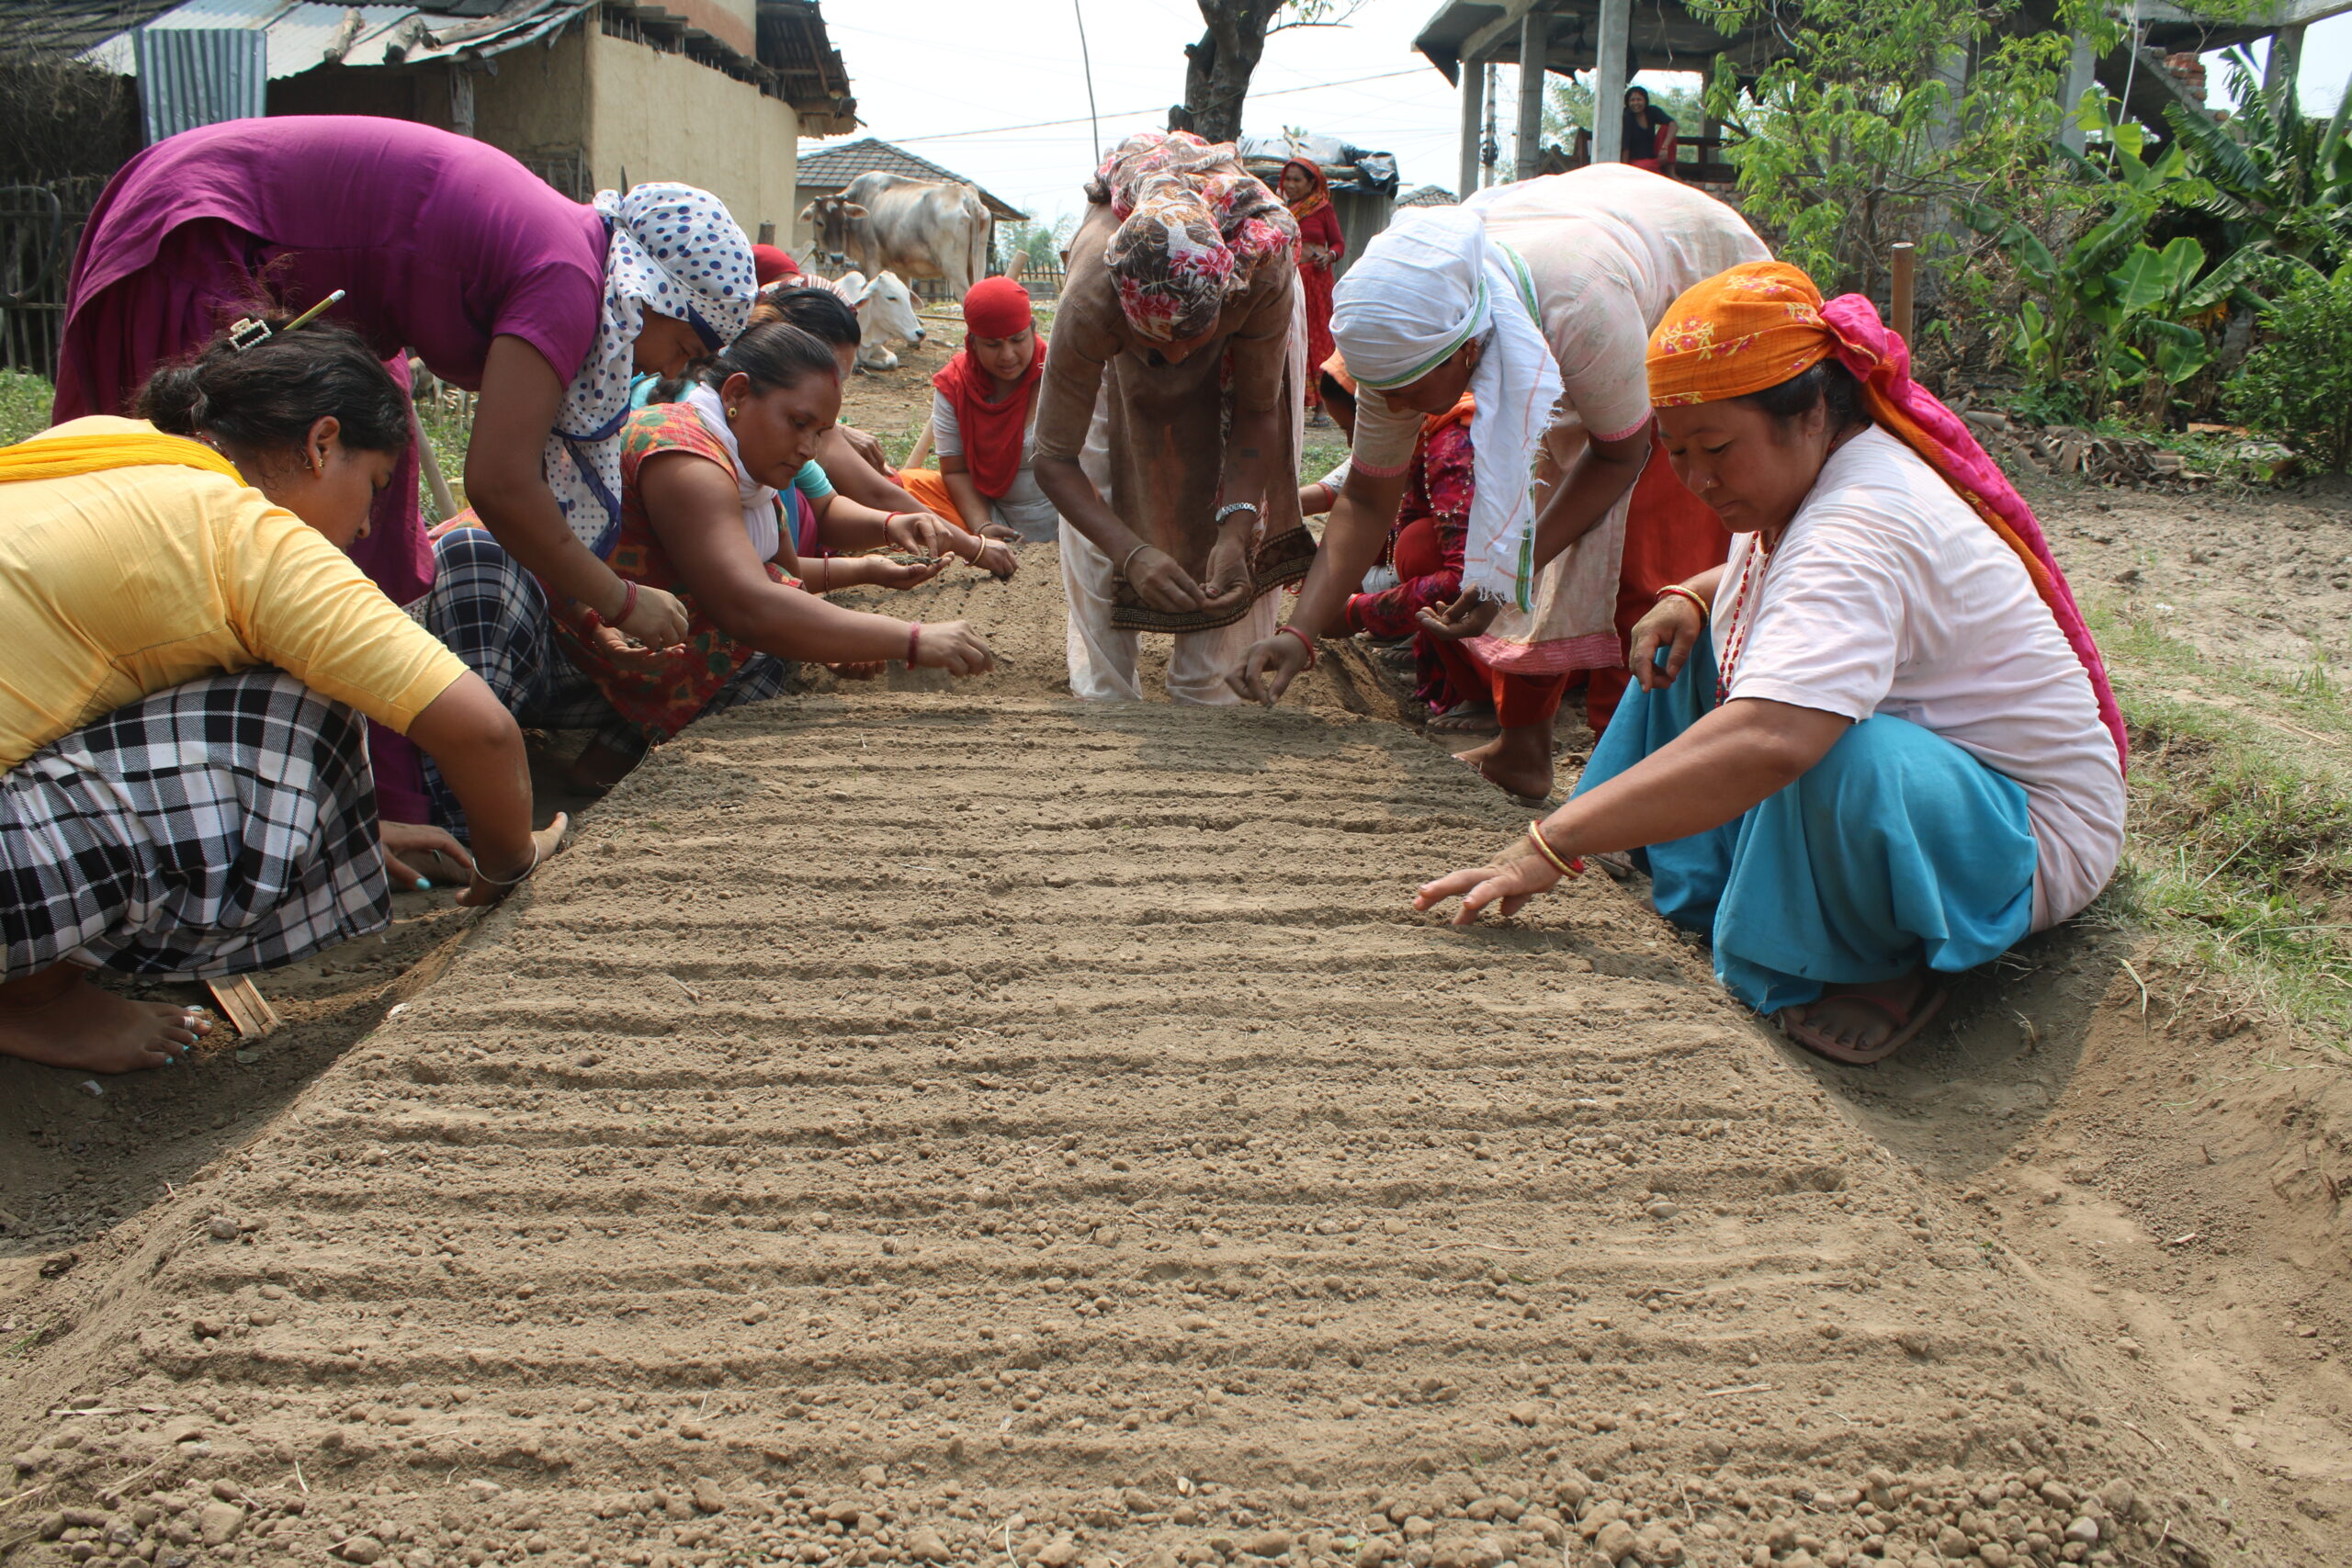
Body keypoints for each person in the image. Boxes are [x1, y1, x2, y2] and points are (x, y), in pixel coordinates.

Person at [1415, 261, 2129, 1066]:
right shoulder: (1817, 476)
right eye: (1676, 452)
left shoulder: (1860, 526)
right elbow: (1769, 583)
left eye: (1717, 448)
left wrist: (1547, 845)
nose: (1696, 481)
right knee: (1684, 631)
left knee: (1839, 752)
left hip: (2020, 829)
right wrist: (1690, 592)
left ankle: (1873, 954)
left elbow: (1774, 737)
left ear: (1815, 411)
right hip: (1942, 770)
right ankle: (1683, 858)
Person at [52, 115, 755, 826]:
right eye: (684, 344)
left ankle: (382, 797)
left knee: (377, 546)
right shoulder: (567, 275)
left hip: (335, 307)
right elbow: (502, 484)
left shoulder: (568, 255)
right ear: (651, 293)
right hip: (210, 231)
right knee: (212, 547)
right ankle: (190, 808)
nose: (670, 370)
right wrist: (621, 599)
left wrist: (586, 597)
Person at [0, 319, 563, 1076]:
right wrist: (509, 865)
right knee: (297, 705)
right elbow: (483, 733)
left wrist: (346, 823)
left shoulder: (104, 445)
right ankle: (33, 1000)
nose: (366, 523)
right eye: (373, 487)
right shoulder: (249, 533)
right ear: (321, 442)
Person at [1229, 165, 1766, 798]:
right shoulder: (1401, 347)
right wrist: (1299, 633)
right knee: (1513, 519)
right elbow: (1367, 499)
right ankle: (1522, 751)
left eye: (1407, 392)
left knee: (1642, 559)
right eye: (1385, 393)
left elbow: (1619, 457)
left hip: (1698, 305)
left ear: (1463, 350)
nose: (1397, 408)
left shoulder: (1578, 303)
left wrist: (1511, 566)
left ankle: (1623, 789)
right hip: (1587, 296)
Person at [424, 321, 998, 800]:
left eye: (820, 433)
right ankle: (461, 800)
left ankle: (601, 771)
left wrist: (868, 592)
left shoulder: (756, 481)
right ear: (738, 394)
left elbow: (785, 581)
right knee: (759, 620)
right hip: (518, 628)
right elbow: (748, 603)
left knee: (770, 644)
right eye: (798, 424)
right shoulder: (684, 449)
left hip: (600, 646)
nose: (807, 448)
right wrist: (912, 639)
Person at [1034, 130, 1312, 704]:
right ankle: (1105, 688)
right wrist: (1131, 553)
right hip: (1127, 315)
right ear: (1125, 318)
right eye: (1159, 347)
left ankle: (1211, 684)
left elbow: (1259, 410)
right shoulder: (1091, 301)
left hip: (1243, 301)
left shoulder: (1261, 263)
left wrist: (1236, 530)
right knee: (1102, 467)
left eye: (1194, 343)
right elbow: (1056, 458)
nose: (1179, 362)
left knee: (1244, 495)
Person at [755, 287, 1012, 578]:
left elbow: (827, 509)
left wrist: (892, 528)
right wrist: (972, 546)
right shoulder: (720, 465)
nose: (811, 449)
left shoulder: (795, 431)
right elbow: (766, 585)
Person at [895, 276, 1059, 544]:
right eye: (992, 345)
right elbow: (955, 471)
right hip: (990, 512)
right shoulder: (955, 385)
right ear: (972, 342)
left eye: (1017, 340)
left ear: (1033, 330)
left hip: (1069, 515)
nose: (1007, 355)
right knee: (907, 486)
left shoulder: (1059, 373)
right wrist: (982, 527)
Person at [1278, 159, 1346, 413]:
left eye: (1297, 180)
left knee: (1319, 335)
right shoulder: (1279, 211)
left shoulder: (1323, 209)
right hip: (1291, 280)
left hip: (1317, 282)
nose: (1291, 185)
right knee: (1292, 336)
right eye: (1288, 179)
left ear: (1311, 183)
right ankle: (1296, 399)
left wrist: (1329, 256)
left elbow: (1339, 244)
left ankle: (1322, 406)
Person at [1623, 87, 1679, 176]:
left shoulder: (1651, 111)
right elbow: (1625, 146)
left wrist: (1664, 147)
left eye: (1639, 99)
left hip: (1656, 157)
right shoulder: (1627, 117)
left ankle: (1670, 172)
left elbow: (1673, 125)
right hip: (1637, 162)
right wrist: (1624, 170)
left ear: (1645, 100)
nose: (1636, 103)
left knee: (1666, 128)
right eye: (1632, 100)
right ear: (1628, 102)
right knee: (1644, 167)